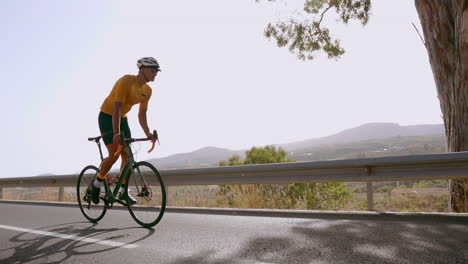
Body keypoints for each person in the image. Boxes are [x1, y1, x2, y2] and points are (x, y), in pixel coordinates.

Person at [90, 57, 160, 204]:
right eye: (152, 70)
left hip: (122, 118)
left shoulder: (148, 91)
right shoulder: (126, 81)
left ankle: (123, 192)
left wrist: (147, 133)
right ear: (142, 69)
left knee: (127, 155)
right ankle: (96, 184)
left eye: (156, 71)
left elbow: (142, 114)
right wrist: (116, 133)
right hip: (107, 116)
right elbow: (117, 107)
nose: (155, 73)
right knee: (115, 153)